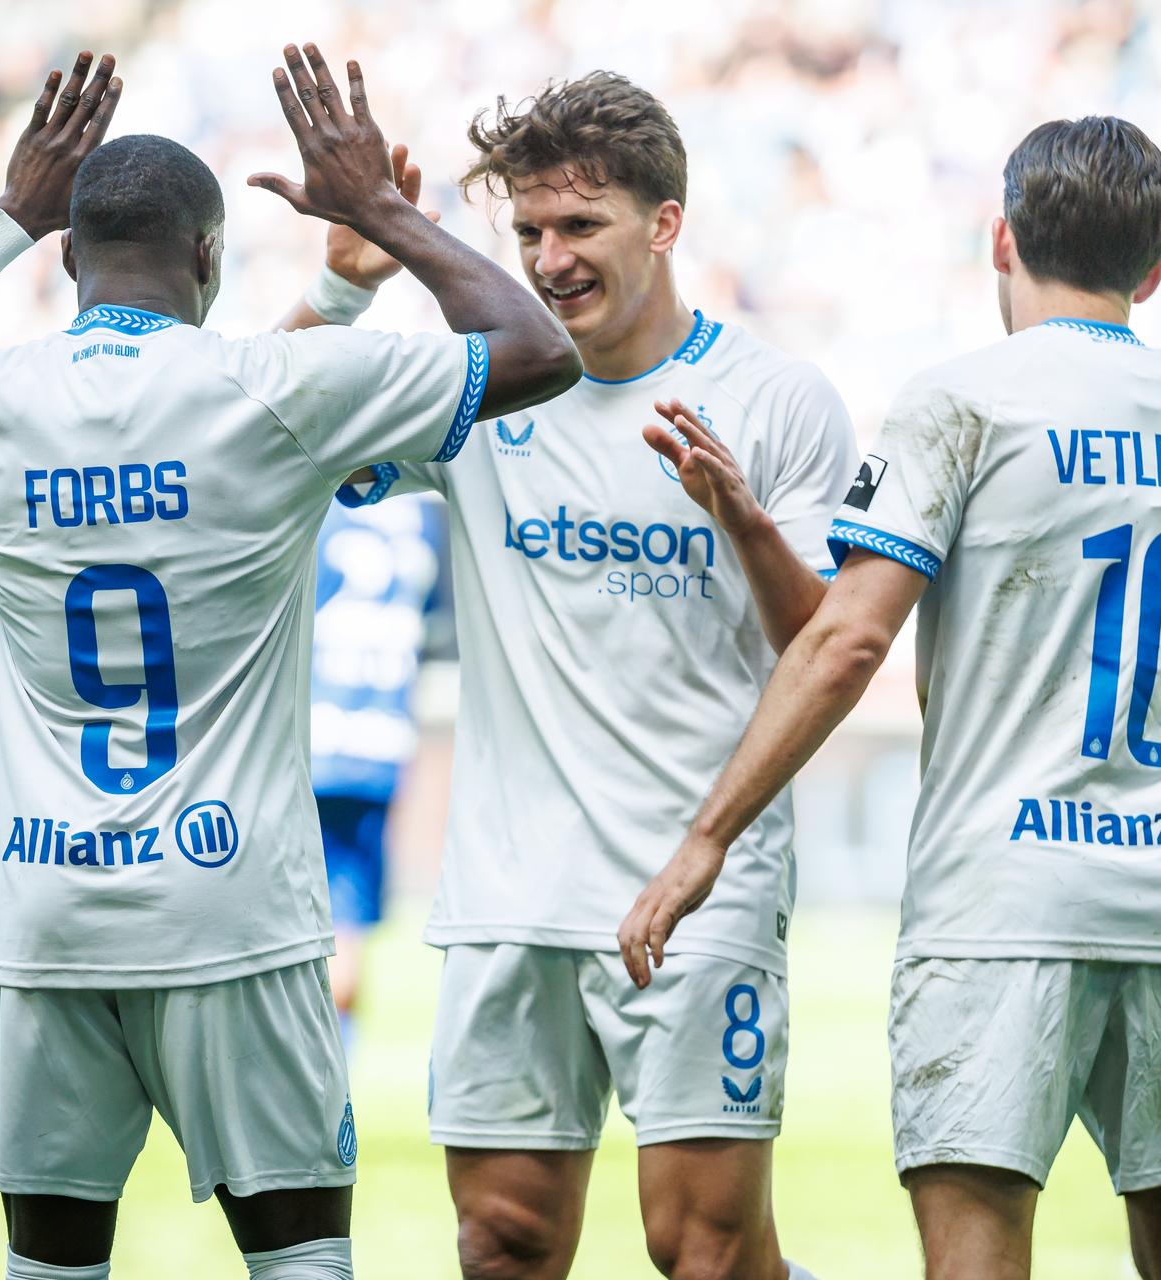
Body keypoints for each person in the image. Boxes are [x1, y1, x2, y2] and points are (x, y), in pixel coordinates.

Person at [0, 44, 578, 1280]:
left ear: (70, 256)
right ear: (211, 258)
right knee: (301, 1260)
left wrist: (7, 212)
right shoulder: (269, 389)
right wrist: (380, 211)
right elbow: (537, 350)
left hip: (42, 916)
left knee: (52, 1269)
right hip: (231, 911)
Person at [621, 117, 1161, 1280]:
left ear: (1001, 240)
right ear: (1155, 271)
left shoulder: (964, 400)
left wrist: (706, 836)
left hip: (1004, 896)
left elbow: (847, 640)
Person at [287, 72, 854, 1280]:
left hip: (698, 891)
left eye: (581, 226)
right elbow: (260, 424)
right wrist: (341, 287)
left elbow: (821, 646)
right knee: (502, 1242)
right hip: (510, 892)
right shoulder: (474, 387)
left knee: (706, 1253)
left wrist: (744, 520)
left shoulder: (776, 398)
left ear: (666, 222)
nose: (551, 260)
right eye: (531, 231)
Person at [308, 493, 443, 1048]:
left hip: (309, 740)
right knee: (346, 928)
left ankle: (308, 1071)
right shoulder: (422, 518)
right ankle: (336, 1074)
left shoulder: (322, 506)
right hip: (380, 746)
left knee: (290, 933)